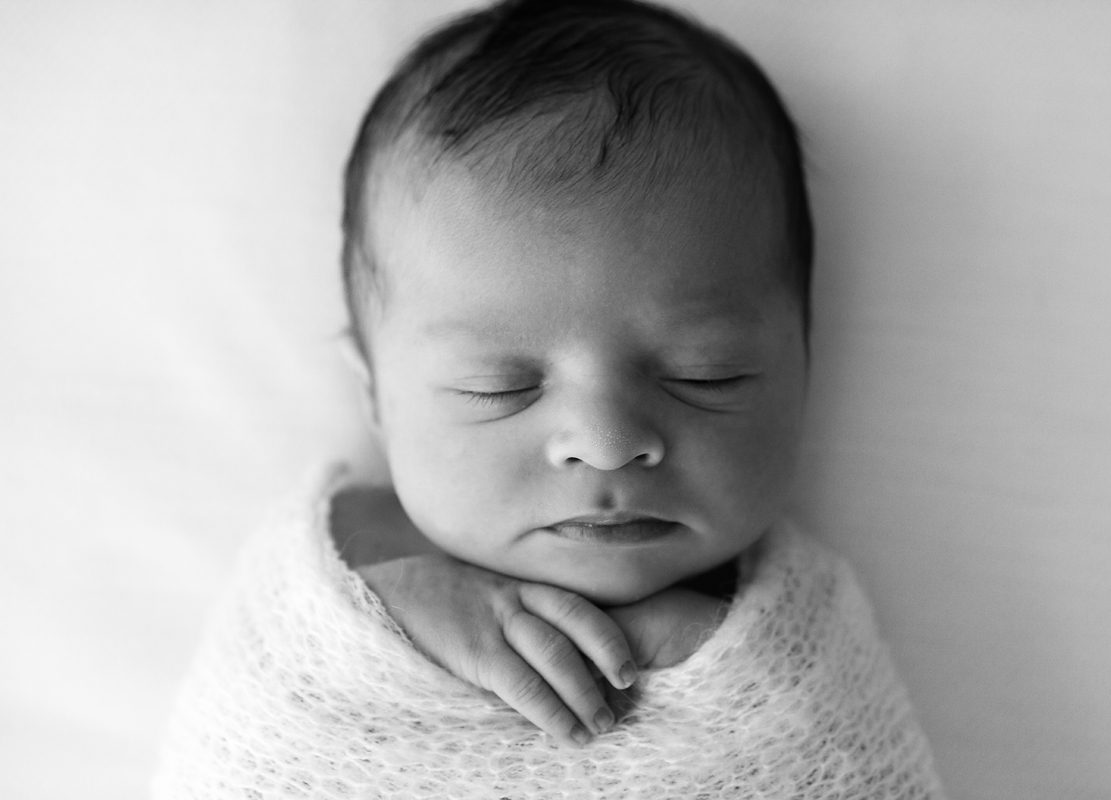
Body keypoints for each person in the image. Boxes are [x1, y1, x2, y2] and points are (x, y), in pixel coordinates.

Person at [154, 0, 944, 796]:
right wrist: (400, 614)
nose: (605, 443)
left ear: (805, 359)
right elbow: (248, 743)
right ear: (378, 403)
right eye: (496, 388)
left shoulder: (805, 652)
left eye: (705, 374)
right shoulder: (326, 589)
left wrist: (736, 674)